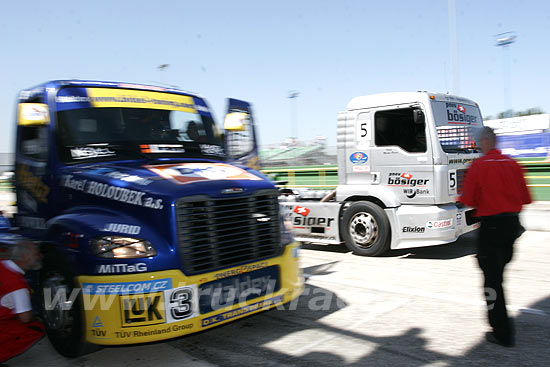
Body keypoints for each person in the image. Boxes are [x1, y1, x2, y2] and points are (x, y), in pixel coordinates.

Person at [460, 126, 532, 347]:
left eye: (478, 142)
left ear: (484, 141)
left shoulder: (478, 166)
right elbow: (526, 198)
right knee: (498, 277)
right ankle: (501, 323)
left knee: (492, 282)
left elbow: (469, 200)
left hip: (491, 229)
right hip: (512, 227)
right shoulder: (513, 164)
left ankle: (501, 332)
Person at [0, 240, 45, 362]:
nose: (40, 257)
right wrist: (36, 315)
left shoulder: (2, 265)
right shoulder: (17, 285)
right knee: (35, 329)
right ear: (26, 257)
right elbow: (25, 318)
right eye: (37, 254)